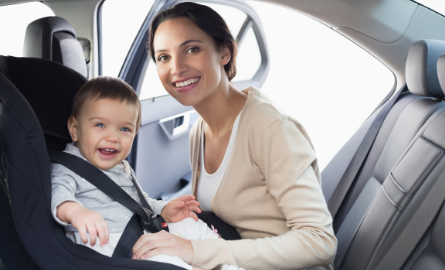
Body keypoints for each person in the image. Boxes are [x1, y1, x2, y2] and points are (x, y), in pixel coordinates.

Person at [131, 2, 337, 270]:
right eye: (164, 57)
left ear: (224, 53)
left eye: (192, 49)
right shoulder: (199, 131)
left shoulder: (270, 128)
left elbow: (320, 241)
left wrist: (196, 250)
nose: (177, 68)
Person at [50, 76, 228, 270]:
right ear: (75, 129)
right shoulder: (69, 168)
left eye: (124, 129)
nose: (112, 137)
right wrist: (77, 212)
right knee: (171, 264)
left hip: (144, 231)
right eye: (100, 125)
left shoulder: (121, 167)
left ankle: (229, 262)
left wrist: (163, 210)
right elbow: (59, 195)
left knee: (192, 225)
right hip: (113, 246)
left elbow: (140, 201)